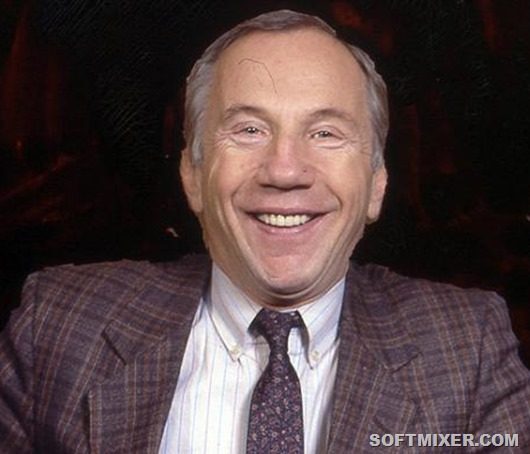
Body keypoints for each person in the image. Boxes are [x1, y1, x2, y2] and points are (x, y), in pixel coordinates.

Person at [1, 9, 529, 453]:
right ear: (192, 175)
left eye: (325, 133)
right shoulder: (59, 324)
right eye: (249, 130)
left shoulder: (468, 347)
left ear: (376, 185)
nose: (284, 170)